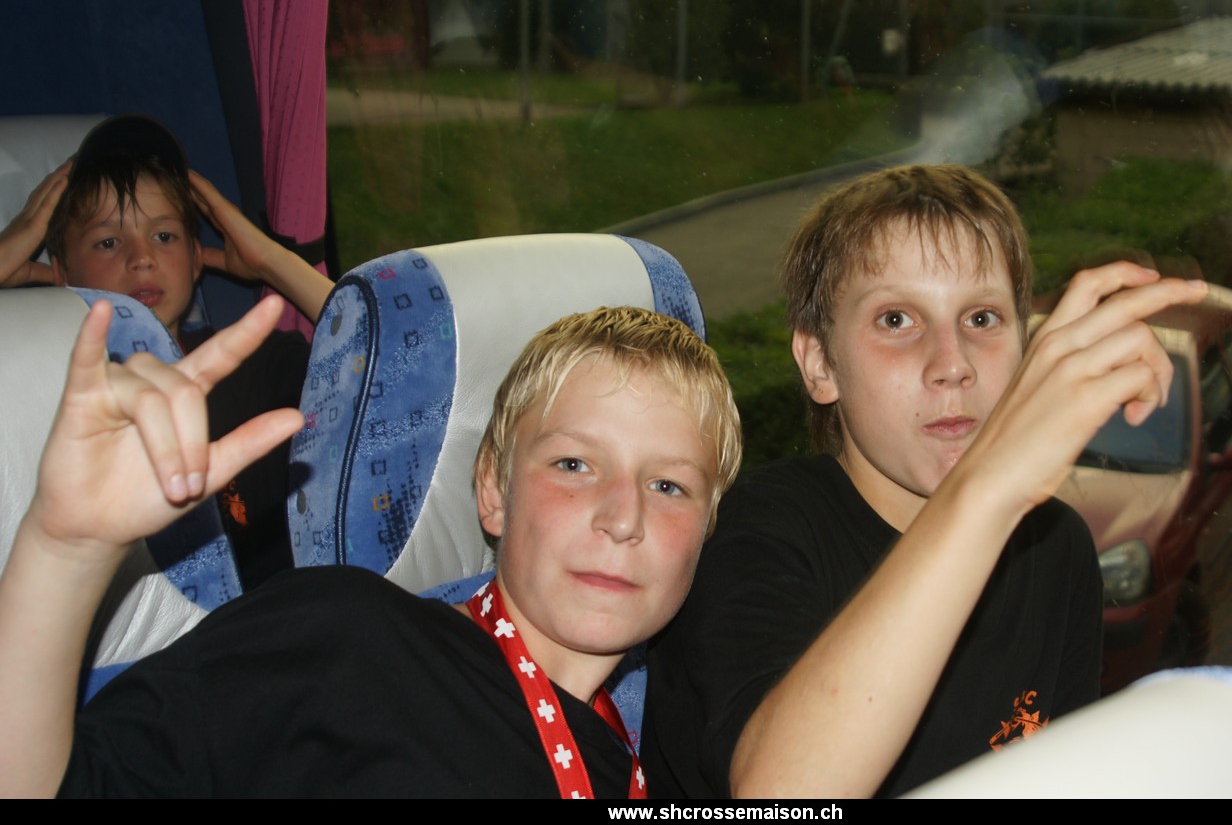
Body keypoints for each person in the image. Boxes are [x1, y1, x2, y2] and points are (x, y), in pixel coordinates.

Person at [0, 300, 742, 798]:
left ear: (707, 530)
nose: (623, 518)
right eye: (574, 464)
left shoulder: (654, 748)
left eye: (669, 486)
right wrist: (66, 550)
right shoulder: (345, 639)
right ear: (492, 489)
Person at [645, 163, 1209, 798]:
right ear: (820, 363)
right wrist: (989, 487)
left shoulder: (1058, 549)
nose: (952, 364)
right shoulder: (750, 536)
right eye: (896, 320)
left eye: (982, 319)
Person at [0, 114, 334, 588]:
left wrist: (271, 261)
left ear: (196, 258)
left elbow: (387, 356)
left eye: (164, 236)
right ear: (60, 271)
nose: (141, 258)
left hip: (295, 603)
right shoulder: (57, 397)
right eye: (108, 242)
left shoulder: (257, 362)